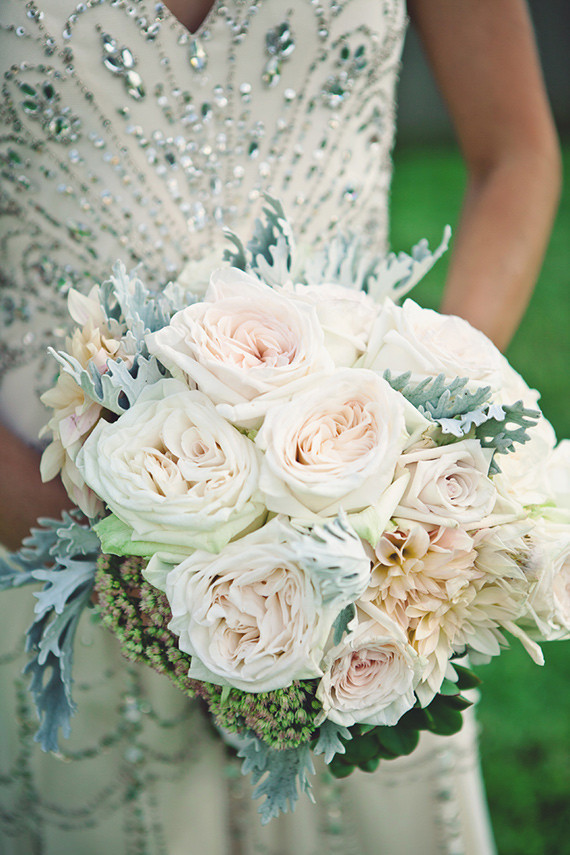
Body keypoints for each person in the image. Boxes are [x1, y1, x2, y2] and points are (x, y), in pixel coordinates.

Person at [0, 1, 560, 853]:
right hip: (37, 519)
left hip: (369, 549)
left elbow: (516, 154)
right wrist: (97, 543)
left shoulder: (388, 527)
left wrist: (426, 429)